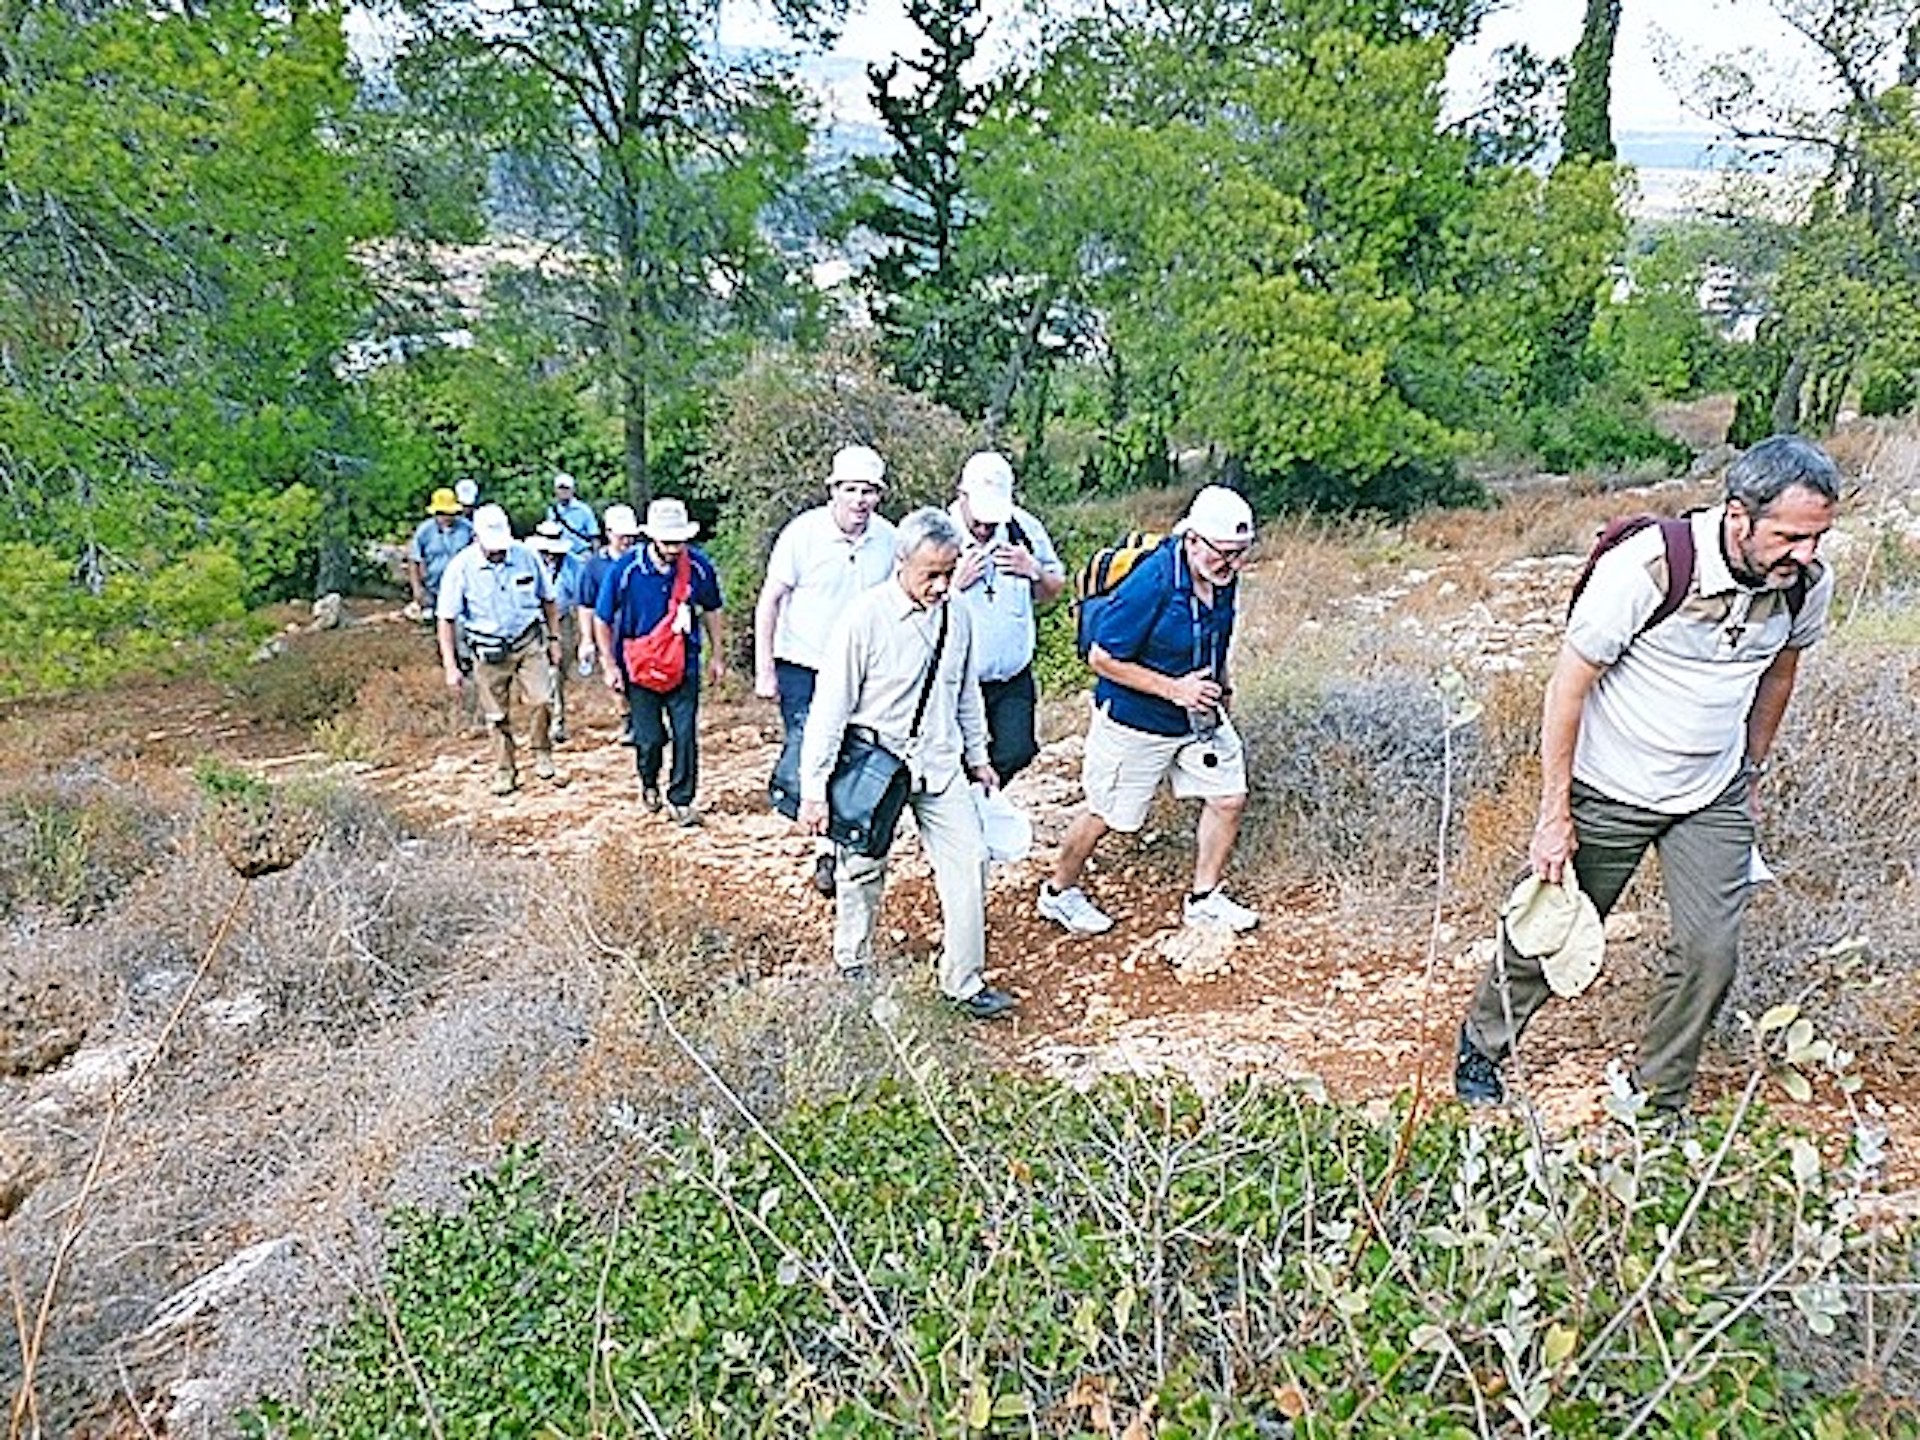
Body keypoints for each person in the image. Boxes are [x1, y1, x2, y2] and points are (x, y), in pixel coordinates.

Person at [1455, 435, 1841, 1116]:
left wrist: (1751, 770)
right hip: (1610, 786)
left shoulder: (1804, 584)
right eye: (1789, 536)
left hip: (1710, 793)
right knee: (1556, 931)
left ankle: (1658, 1101)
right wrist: (1555, 814)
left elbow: (1782, 670)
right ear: (1738, 514)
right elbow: (1568, 686)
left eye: (1817, 537)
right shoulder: (1653, 566)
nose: (1805, 554)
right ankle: (1482, 1045)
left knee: (1710, 953)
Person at [797, 507, 1014, 1020]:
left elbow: (965, 692)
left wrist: (978, 756)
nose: (942, 585)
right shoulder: (864, 617)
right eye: (931, 575)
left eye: (948, 571)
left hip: (939, 762)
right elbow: (831, 704)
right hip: (877, 764)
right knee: (862, 869)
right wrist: (815, 787)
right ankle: (853, 961)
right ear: (902, 562)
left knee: (970, 862)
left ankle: (963, 982)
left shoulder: (957, 614)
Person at [1038, 485, 1259, 938]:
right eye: (1225, 554)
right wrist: (1175, 689)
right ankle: (1059, 893)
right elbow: (1101, 658)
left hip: (1198, 716)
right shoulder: (1153, 581)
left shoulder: (1220, 577)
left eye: (1241, 554)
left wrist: (1223, 686)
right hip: (1135, 720)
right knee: (1108, 814)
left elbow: (1218, 636)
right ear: (1194, 540)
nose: (1233, 565)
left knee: (1228, 796)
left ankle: (1204, 898)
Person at [754, 444, 898, 896]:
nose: (860, 500)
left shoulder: (890, 539)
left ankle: (835, 849)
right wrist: (765, 667)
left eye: (869, 491)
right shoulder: (802, 534)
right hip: (804, 662)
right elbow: (770, 600)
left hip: (862, 668)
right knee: (814, 751)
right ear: (833, 490)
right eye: (852, 490)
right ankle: (822, 840)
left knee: (853, 752)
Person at [597, 497, 725, 825]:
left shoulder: (698, 567)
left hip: (684, 663)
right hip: (639, 666)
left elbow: (712, 609)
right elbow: (603, 616)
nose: (673, 548)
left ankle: (681, 799)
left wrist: (717, 655)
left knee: (685, 733)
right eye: (667, 541)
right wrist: (609, 664)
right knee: (649, 737)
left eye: (678, 541)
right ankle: (649, 781)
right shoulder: (625, 570)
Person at [947, 451, 1066, 784]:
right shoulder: (939, 533)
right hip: (958, 679)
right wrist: (956, 584)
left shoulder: (1024, 529)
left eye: (992, 518)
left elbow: (1054, 589)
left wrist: (1034, 571)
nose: (985, 527)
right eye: (979, 518)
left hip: (1012, 675)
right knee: (955, 759)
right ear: (962, 495)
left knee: (1018, 752)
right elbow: (911, 604)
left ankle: (986, 805)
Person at [436, 504, 570, 796]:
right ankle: (505, 770)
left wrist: (555, 640)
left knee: (542, 699)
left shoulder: (527, 556)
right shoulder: (460, 567)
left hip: (527, 640)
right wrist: (450, 666)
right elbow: (446, 618)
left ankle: (542, 751)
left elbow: (548, 600)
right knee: (497, 715)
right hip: (487, 648)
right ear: (477, 538)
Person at [529, 520, 591, 745]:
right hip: (532, 623)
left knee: (558, 672)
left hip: (562, 620)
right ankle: (548, 721)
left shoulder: (574, 565)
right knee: (542, 674)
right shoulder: (529, 561)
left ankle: (557, 719)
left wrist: (584, 635)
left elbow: (581, 600)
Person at [405, 488, 473, 623]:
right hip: (434, 587)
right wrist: (417, 588)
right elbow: (414, 560)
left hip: (462, 587)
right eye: (442, 513)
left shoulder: (467, 528)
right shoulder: (424, 531)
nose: (446, 517)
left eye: (450, 513)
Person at [546, 472, 601, 561]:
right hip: (561, 555)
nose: (563, 492)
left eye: (566, 488)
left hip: (582, 554)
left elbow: (594, 536)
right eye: (560, 488)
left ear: (573, 490)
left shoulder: (584, 510)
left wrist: (596, 559)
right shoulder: (552, 511)